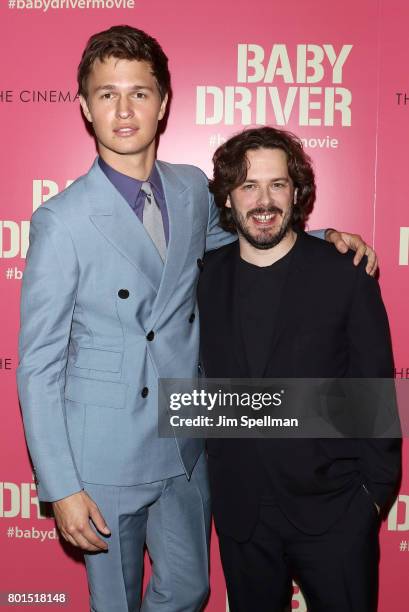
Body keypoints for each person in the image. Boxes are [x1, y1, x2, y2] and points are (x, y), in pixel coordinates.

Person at [17, 25, 378, 612]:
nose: (124, 109)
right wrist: (61, 486)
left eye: (140, 92)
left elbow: (249, 238)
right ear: (84, 107)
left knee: (190, 588)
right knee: (116, 603)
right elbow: (37, 364)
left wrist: (323, 239)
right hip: (102, 453)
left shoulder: (188, 188)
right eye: (107, 94)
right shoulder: (63, 219)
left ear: (163, 103)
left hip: (183, 440)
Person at [197, 126, 401, 612]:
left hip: (335, 512)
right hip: (243, 518)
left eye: (277, 184)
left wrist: (371, 499)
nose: (263, 200)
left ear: (297, 192)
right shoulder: (205, 277)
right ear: (227, 197)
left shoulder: (344, 272)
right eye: (248, 186)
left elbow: (375, 393)